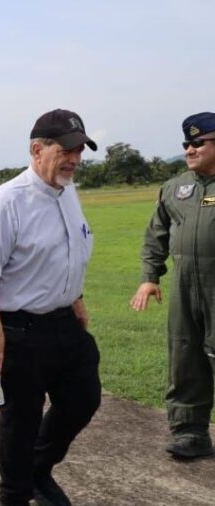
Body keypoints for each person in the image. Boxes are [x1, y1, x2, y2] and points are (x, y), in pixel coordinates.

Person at [0, 109, 102, 506]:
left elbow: (67, 251)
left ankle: (38, 469)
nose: (74, 160)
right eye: (66, 150)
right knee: (20, 420)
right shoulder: (9, 200)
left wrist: (76, 297)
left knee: (83, 400)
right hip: (21, 331)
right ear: (36, 149)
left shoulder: (68, 192)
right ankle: (14, 498)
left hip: (65, 324)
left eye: (79, 151)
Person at [130, 112, 215, 460]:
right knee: (185, 356)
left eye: (198, 143)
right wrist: (149, 277)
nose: (189, 150)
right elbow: (156, 235)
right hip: (184, 286)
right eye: (186, 144)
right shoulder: (175, 188)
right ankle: (190, 433)